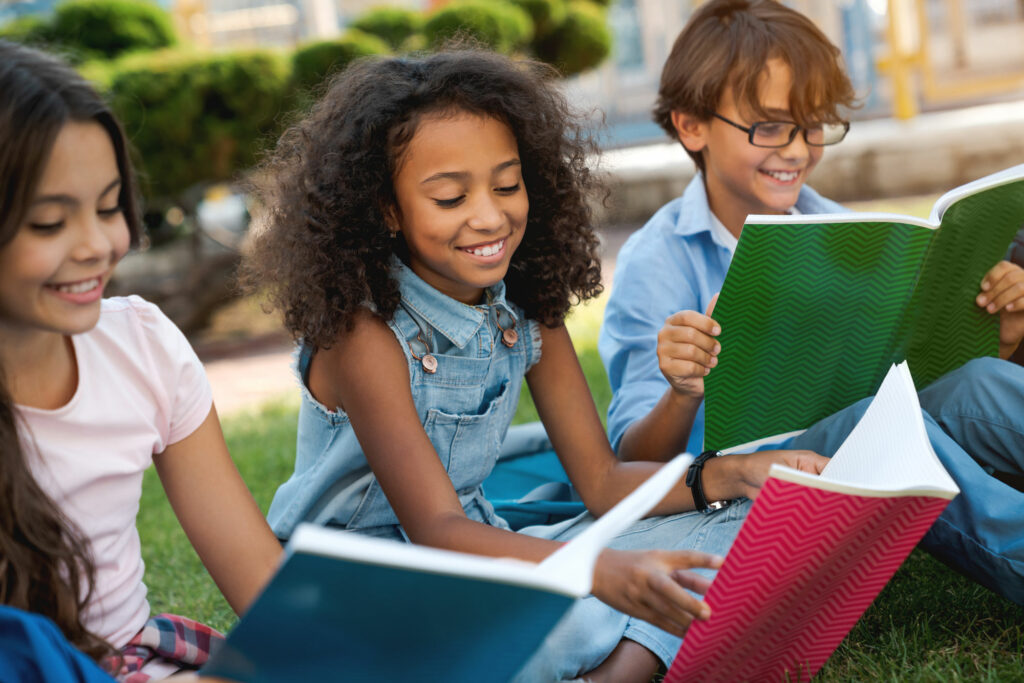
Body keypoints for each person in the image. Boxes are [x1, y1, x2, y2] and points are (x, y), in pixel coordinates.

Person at [241, 47, 828, 682]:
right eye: (448, 197)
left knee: (733, 521)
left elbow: (602, 482)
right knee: (583, 603)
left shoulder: (525, 306)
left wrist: (736, 474)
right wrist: (595, 572)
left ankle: (608, 667)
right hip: (362, 595)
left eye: (506, 184)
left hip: (488, 561)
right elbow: (435, 528)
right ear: (386, 208)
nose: (490, 216)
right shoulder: (364, 335)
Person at [599, 0, 1024, 604]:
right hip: (739, 486)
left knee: (981, 382)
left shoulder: (845, 228)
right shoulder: (658, 261)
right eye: (770, 127)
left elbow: (911, 375)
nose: (797, 150)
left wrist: (998, 337)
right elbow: (632, 463)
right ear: (692, 125)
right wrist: (682, 388)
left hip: (846, 446)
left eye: (813, 126)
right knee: (886, 430)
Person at [0, 40, 283, 680]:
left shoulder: (140, 346)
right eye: (50, 223)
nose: (99, 245)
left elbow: (257, 577)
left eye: (108, 208)